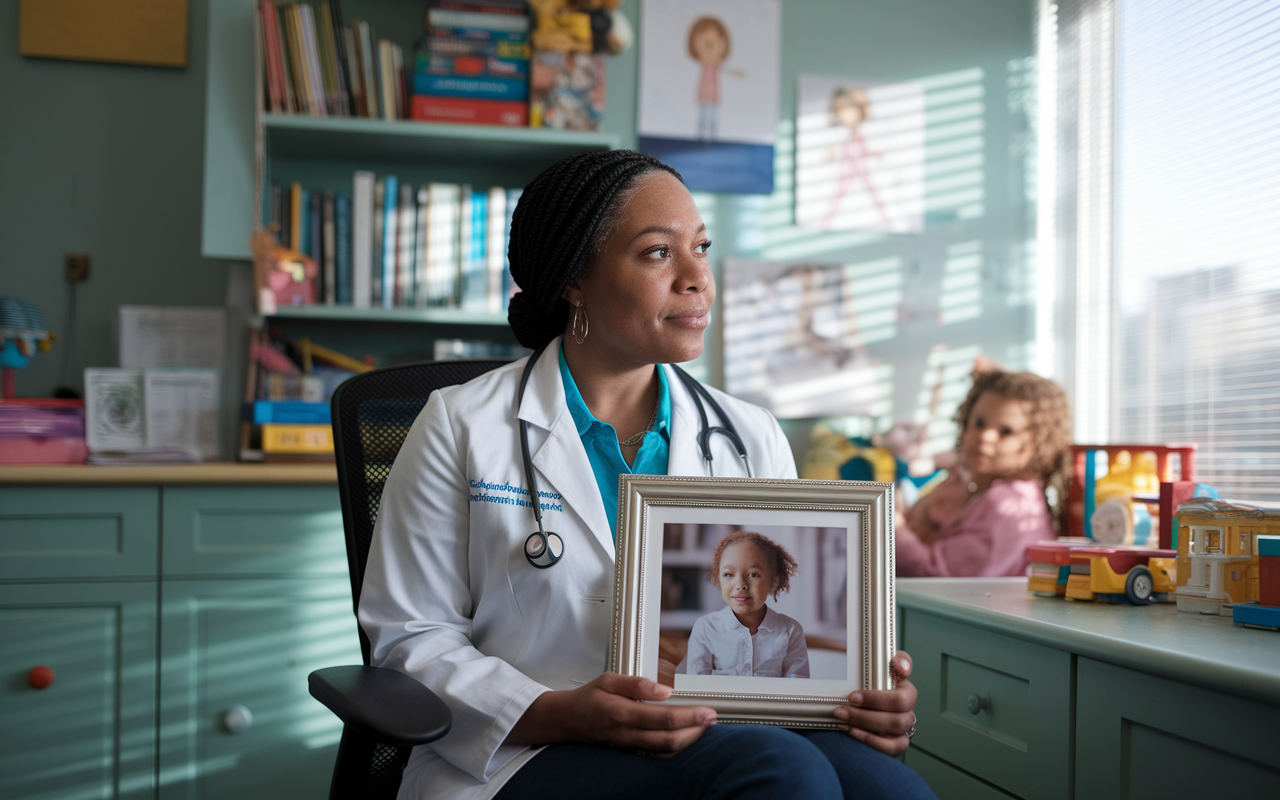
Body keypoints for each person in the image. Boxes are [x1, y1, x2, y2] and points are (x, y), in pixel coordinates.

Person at [358, 149, 934, 800]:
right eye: (658, 252)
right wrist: (563, 710)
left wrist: (853, 693)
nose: (697, 278)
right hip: (524, 751)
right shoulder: (461, 424)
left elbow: (773, 633)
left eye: (702, 247)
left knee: (892, 789)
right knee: (780, 771)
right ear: (575, 276)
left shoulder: (749, 435)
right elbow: (411, 641)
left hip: (723, 730)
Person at [896, 369, 1072, 577]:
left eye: (1006, 431)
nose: (985, 437)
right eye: (978, 423)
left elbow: (936, 573)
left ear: (1040, 443)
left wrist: (891, 526)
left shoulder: (1010, 505)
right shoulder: (966, 482)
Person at [686, 530, 810, 678]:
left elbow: (797, 688)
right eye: (728, 575)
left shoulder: (790, 631)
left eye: (753, 575)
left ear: (773, 582)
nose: (740, 585)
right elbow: (696, 686)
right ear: (718, 580)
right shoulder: (706, 628)